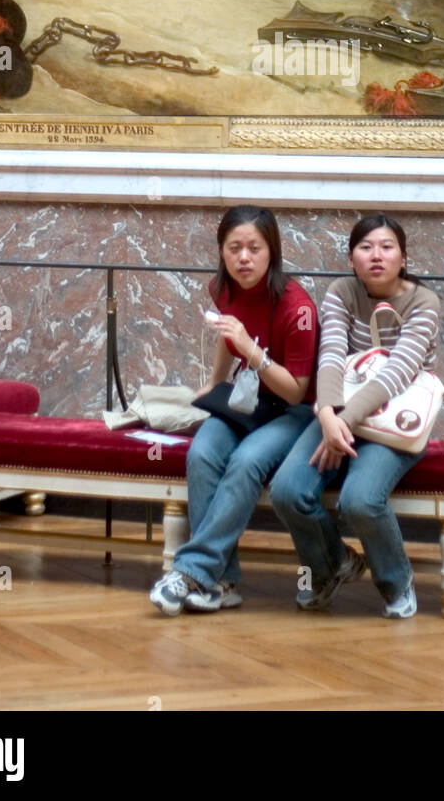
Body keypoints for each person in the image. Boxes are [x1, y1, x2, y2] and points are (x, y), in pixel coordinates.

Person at [270, 213, 441, 619]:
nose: (376, 256)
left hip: (393, 426)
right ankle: (331, 566)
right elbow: (329, 356)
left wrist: (340, 423)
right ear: (351, 259)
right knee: (288, 489)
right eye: (365, 248)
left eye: (386, 247)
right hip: (337, 412)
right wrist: (328, 416)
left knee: (360, 500)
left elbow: (397, 375)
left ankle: (396, 582)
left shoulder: (424, 302)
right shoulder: (342, 292)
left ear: (403, 257)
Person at [150, 206, 319, 616]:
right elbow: (228, 333)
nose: (244, 258)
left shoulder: (298, 309)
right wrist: (214, 383)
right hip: (245, 403)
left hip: (290, 413)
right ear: (222, 252)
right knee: (202, 453)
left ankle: (191, 572)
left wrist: (252, 351)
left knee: (244, 462)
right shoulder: (223, 288)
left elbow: (297, 393)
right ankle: (222, 584)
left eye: (254, 248)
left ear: (271, 252)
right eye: (234, 248)